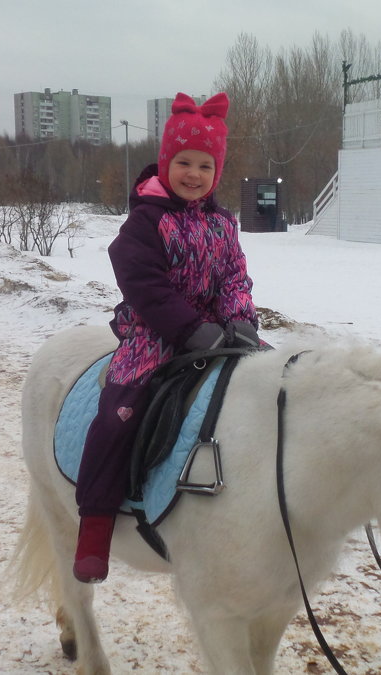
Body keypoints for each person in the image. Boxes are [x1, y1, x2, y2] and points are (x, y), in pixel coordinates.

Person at [72, 92, 260, 584]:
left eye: (204, 165)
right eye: (183, 162)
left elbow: (235, 276)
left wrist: (241, 320)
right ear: (165, 163)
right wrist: (186, 328)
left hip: (219, 335)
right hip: (155, 336)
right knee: (118, 415)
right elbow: (143, 284)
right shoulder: (146, 220)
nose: (193, 174)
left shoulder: (222, 223)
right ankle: (94, 520)